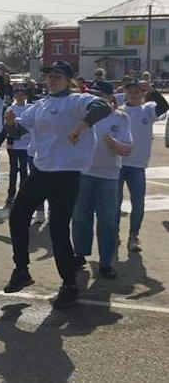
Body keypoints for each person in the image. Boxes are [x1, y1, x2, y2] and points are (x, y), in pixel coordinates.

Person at [3, 60, 111, 309]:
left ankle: (69, 284)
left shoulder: (77, 100)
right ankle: (21, 271)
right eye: (50, 76)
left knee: (58, 229)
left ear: (68, 80)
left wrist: (80, 127)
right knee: (17, 216)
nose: (52, 80)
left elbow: (102, 107)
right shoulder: (40, 105)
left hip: (67, 174)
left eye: (58, 76)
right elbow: (18, 132)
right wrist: (10, 123)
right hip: (42, 170)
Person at [72, 81, 132, 279]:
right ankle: (80, 254)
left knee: (107, 220)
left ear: (110, 97)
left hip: (108, 176)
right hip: (84, 173)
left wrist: (114, 144)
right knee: (81, 216)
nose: (95, 98)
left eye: (100, 95)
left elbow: (128, 148)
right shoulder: (83, 117)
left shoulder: (120, 118)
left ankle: (106, 261)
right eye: (93, 94)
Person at [116, 79, 169, 252]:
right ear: (125, 92)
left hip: (137, 166)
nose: (133, 94)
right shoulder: (118, 111)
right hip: (117, 164)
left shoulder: (148, 110)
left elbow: (164, 106)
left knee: (138, 203)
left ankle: (133, 235)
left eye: (137, 91)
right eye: (130, 91)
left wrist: (152, 90)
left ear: (143, 94)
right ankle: (114, 233)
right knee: (114, 202)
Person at [4, 86, 31, 207]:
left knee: (24, 171)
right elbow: (7, 126)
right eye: (17, 94)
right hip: (13, 145)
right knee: (13, 170)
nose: (19, 97)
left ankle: (23, 194)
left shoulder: (30, 108)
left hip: (27, 145)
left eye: (22, 94)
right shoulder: (10, 109)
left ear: (26, 96)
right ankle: (11, 194)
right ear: (14, 96)